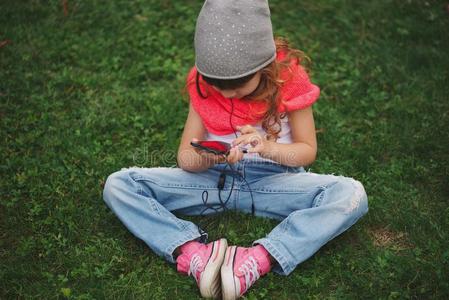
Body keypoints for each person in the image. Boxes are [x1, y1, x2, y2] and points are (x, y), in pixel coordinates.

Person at [102, 0, 369, 299]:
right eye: (218, 84)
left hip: (274, 182)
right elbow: (185, 159)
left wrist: (267, 148)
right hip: (214, 180)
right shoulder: (201, 86)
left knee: (351, 194)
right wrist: (210, 156)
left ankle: (259, 258)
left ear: (264, 65)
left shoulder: (289, 82)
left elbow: (306, 152)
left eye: (239, 83)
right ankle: (192, 254)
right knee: (119, 185)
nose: (227, 92)